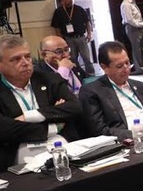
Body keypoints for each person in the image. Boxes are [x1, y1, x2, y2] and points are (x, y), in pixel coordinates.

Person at [0, 34, 82, 171]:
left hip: (60, 146)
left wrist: (29, 116)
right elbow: (4, 129)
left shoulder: (48, 78)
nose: (25, 62)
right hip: (17, 156)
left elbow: (75, 107)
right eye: (16, 59)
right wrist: (54, 126)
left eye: (27, 56)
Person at [79, 41, 143, 140]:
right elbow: (99, 130)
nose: (126, 69)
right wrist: (140, 134)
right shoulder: (92, 91)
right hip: (129, 141)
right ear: (104, 67)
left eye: (127, 63)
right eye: (119, 66)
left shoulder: (140, 86)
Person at [50, 0, 95, 75]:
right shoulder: (58, 11)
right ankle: (78, 75)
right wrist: (61, 41)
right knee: (73, 58)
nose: (71, 0)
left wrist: (89, 34)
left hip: (81, 38)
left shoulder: (79, 9)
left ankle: (91, 74)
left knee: (86, 57)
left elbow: (87, 22)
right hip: (68, 39)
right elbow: (56, 27)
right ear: (63, 0)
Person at [120, 0, 143, 74]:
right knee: (137, 48)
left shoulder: (132, 3)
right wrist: (139, 24)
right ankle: (139, 68)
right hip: (133, 28)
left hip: (139, 27)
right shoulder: (126, 4)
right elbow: (129, 19)